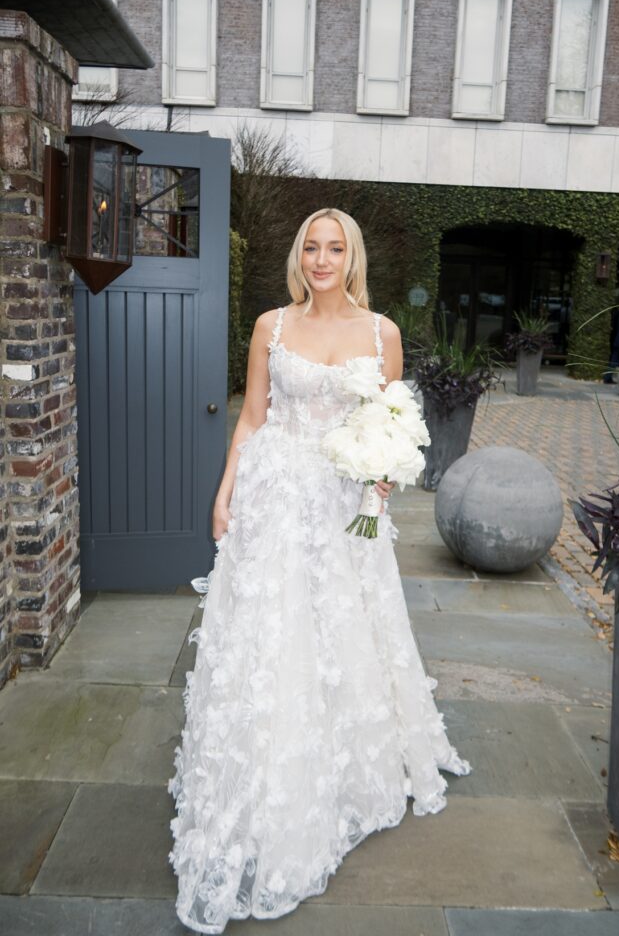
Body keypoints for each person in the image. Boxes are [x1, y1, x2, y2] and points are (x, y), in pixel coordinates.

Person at [167, 208, 471, 934]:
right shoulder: (272, 326)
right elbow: (252, 417)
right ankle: (267, 767)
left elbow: (391, 423)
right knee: (275, 637)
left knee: (342, 631)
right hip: (274, 498)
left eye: (335, 248)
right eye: (311, 246)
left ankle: (344, 757)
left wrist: (384, 476)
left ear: (352, 257)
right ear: (297, 256)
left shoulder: (381, 334)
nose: (322, 258)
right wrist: (224, 490)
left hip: (342, 509)